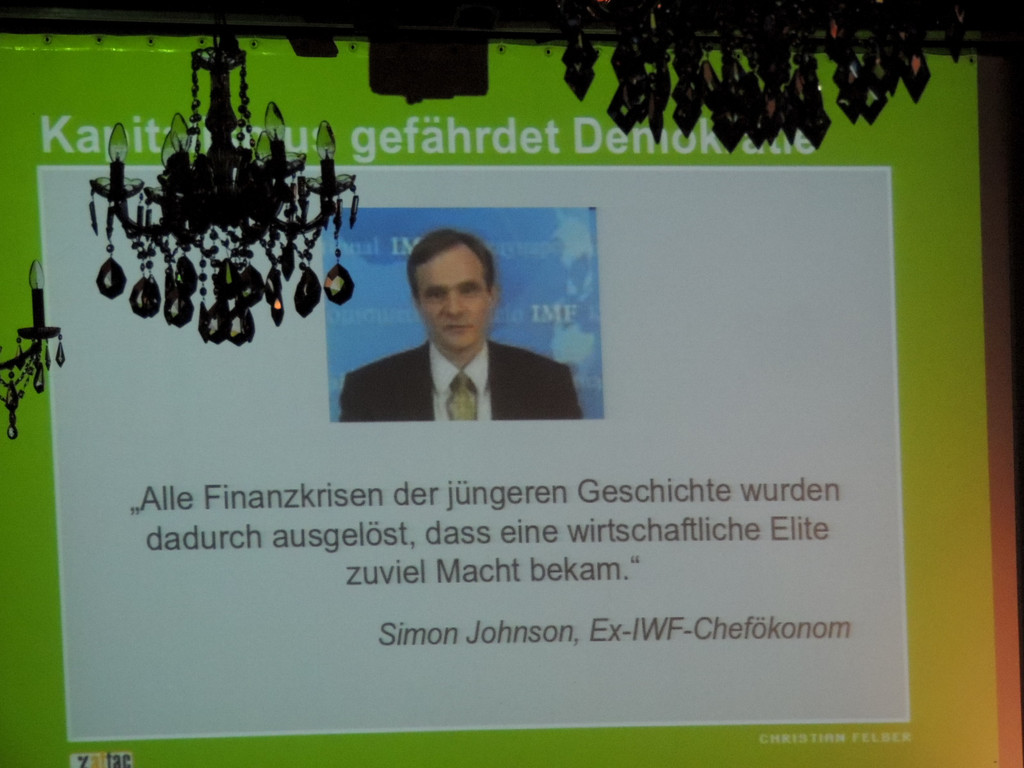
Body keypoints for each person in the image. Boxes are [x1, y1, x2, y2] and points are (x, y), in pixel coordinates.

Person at [339, 228, 582, 422]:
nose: (454, 309)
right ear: (417, 303)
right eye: (436, 294)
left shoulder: (549, 384)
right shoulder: (367, 392)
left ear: (492, 296)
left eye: (468, 290)